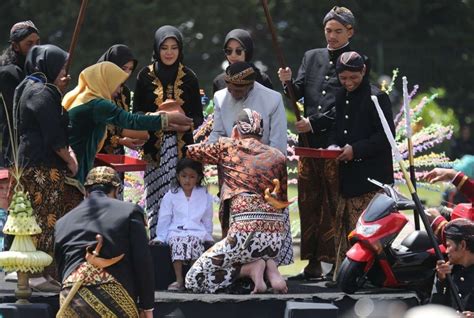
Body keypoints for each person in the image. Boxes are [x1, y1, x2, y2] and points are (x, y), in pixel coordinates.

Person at [277, 6, 358, 280]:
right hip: (308, 145)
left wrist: (314, 122)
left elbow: (349, 102)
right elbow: (297, 92)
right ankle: (311, 263)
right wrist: (287, 82)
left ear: (350, 32)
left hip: (337, 143)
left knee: (334, 204)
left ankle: (337, 263)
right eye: (328, 31)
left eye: (338, 31)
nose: (332, 36)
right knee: (308, 201)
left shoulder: (356, 60)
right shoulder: (311, 56)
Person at [185, 109, 288, 294]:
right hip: (275, 241)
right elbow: (282, 202)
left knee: (194, 279)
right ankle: (270, 266)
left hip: (244, 236)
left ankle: (249, 269)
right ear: (261, 132)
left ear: (236, 130)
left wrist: (208, 131)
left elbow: (191, 151)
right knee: (259, 240)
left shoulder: (228, 146)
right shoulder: (278, 156)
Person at [209, 61, 291, 265]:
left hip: (264, 175)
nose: (232, 92)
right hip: (232, 174)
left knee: (264, 229)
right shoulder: (220, 97)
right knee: (234, 228)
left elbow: (278, 146)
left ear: (250, 85)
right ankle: (236, 271)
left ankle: (268, 270)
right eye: (229, 87)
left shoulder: (272, 99)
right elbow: (217, 134)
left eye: (238, 89)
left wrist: (258, 168)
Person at [13, 44, 82, 285]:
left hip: (32, 163)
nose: (66, 73)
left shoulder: (34, 88)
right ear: (48, 65)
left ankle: (37, 272)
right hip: (42, 166)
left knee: (36, 217)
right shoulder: (40, 92)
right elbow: (53, 135)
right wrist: (69, 159)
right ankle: (36, 274)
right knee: (44, 218)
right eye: (62, 67)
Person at [62, 61, 193, 184]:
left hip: (67, 163)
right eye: (118, 85)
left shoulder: (78, 97)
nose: (119, 91)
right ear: (105, 81)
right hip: (76, 166)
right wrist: (168, 119)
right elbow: (130, 121)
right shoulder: (97, 104)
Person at [54, 166, 155, 318]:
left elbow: (60, 267)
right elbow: (142, 261)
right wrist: (147, 306)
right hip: (113, 297)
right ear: (116, 190)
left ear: (86, 191)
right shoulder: (130, 212)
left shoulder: (62, 222)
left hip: (72, 297)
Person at [133, 25, 203, 239]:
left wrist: (182, 123)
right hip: (155, 149)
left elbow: (198, 116)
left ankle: (181, 247)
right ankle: (156, 244)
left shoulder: (189, 76)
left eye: (174, 47)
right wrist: (159, 119)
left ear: (180, 49)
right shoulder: (144, 76)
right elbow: (136, 113)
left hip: (182, 153)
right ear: (157, 48)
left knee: (182, 198)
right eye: (164, 47)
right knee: (156, 199)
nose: (169, 52)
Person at [329, 51, 394, 278]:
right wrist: (333, 147)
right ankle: (346, 273)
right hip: (348, 176)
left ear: (363, 71)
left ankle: (371, 275)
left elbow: (385, 136)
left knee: (368, 231)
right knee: (346, 228)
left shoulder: (377, 97)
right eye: (343, 78)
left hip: (371, 177)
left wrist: (355, 150)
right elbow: (338, 128)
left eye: (353, 78)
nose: (348, 83)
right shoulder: (340, 96)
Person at [153, 158, 213, 291]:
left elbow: (207, 217)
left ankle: (191, 279)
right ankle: (179, 279)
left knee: (194, 241)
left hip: (196, 231)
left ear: (198, 178)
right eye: (184, 176)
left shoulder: (204, 195)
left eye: (192, 177)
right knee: (177, 241)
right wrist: (160, 237)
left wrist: (208, 235)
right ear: (178, 176)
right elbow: (165, 217)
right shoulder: (171, 195)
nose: (187, 180)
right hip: (176, 230)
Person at [0, 20, 40, 166]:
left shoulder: (33, 69)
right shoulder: (9, 73)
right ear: (16, 46)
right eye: (29, 44)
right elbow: (20, 112)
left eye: (37, 42)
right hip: (14, 145)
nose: (35, 48)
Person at [96, 44, 145, 155]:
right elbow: (94, 127)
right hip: (96, 152)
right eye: (123, 68)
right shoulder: (95, 89)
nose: (126, 74)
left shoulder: (124, 92)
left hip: (117, 153)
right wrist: (120, 140)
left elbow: (123, 123)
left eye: (130, 69)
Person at [431, 218, 474, 315]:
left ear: (462, 245)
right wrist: (440, 281)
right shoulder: (450, 271)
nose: (446, 251)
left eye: (448, 246)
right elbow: (434, 310)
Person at [212, 28, 273, 94]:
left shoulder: (262, 79)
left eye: (238, 51)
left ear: (247, 51)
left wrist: (285, 81)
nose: (233, 55)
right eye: (229, 51)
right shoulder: (219, 81)